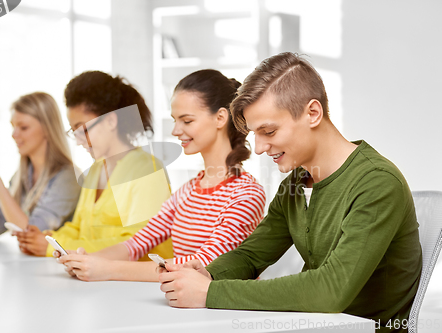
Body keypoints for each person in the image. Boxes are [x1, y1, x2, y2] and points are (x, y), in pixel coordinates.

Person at [158, 53, 422, 333]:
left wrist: (210, 293)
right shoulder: (296, 183)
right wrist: (208, 274)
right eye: (254, 134)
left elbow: (330, 290)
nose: (258, 147)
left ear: (312, 113)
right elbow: (251, 255)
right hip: (312, 326)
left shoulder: (377, 183)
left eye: (268, 131)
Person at [56, 69, 266, 282]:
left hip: (226, 312)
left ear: (220, 118)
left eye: (186, 120)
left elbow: (201, 266)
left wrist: (106, 269)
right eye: (175, 120)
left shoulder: (246, 194)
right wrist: (85, 260)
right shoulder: (187, 192)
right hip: (186, 306)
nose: (175, 130)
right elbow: (136, 244)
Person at [15, 71, 173, 258]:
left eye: (82, 129)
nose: (79, 140)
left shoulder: (147, 170)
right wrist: (49, 239)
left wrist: (55, 247)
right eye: (74, 131)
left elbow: (137, 243)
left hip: (137, 283)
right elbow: (79, 227)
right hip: (98, 279)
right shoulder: (96, 169)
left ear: (110, 121)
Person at [0, 92, 80, 240]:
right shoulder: (23, 175)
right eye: (13, 127)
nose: (14, 134)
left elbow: (30, 232)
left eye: (23, 127)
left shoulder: (68, 178)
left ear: (47, 129)